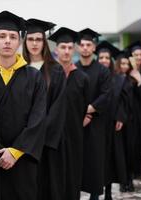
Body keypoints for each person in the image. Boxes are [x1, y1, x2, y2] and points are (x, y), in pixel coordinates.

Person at [0, 11, 47, 200]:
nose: (7, 41)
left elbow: (38, 118)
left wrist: (15, 152)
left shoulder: (33, 76)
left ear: (19, 42)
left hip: (22, 158)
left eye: (13, 37)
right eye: (2, 36)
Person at [22, 18, 66, 200]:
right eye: (30, 39)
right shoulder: (19, 68)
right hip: (23, 142)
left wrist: (38, 133)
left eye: (38, 39)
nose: (34, 43)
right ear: (25, 41)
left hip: (47, 142)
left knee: (48, 186)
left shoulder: (55, 71)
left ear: (44, 42)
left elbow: (58, 107)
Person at [49, 27, 90, 200]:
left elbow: (85, 105)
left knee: (73, 174)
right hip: (52, 136)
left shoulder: (81, 77)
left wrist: (87, 117)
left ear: (74, 50)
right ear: (56, 49)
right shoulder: (48, 74)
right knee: (53, 176)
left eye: (69, 47)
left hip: (74, 134)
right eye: (63, 47)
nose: (66, 51)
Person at [76, 28, 111, 200]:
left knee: (95, 161)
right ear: (77, 48)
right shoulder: (73, 69)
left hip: (96, 124)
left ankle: (94, 197)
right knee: (76, 161)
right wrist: (80, 115)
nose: (84, 48)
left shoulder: (103, 71)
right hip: (76, 124)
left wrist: (88, 112)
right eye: (81, 45)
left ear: (94, 47)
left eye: (88, 45)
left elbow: (106, 94)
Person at [96, 42, 127, 200]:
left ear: (111, 60)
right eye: (101, 57)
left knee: (110, 160)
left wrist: (120, 116)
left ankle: (108, 193)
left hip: (112, 125)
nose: (104, 60)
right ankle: (95, 193)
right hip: (97, 125)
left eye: (107, 57)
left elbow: (123, 101)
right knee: (97, 160)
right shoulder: (93, 76)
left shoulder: (118, 79)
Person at [114, 50, 141, 192]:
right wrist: (119, 117)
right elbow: (117, 101)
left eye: (127, 63)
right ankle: (123, 181)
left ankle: (130, 180)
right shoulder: (114, 79)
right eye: (122, 63)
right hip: (120, 122)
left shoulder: (132, 79)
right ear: (118, 64)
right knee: (121, 154)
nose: (125, 66)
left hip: (132, 122)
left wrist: (139, 81)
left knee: (131, 152)